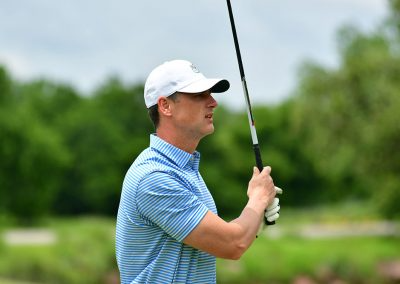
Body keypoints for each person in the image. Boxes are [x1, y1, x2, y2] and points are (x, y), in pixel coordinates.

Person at [115, 59, 282, 284]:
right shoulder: (153, 177)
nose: (213, 103)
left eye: (210, 94)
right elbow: (233, 244)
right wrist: (258, 198)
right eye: (198, 95)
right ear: (165, 106)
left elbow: (215, 238)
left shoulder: (183, 169)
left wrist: (254, 218)